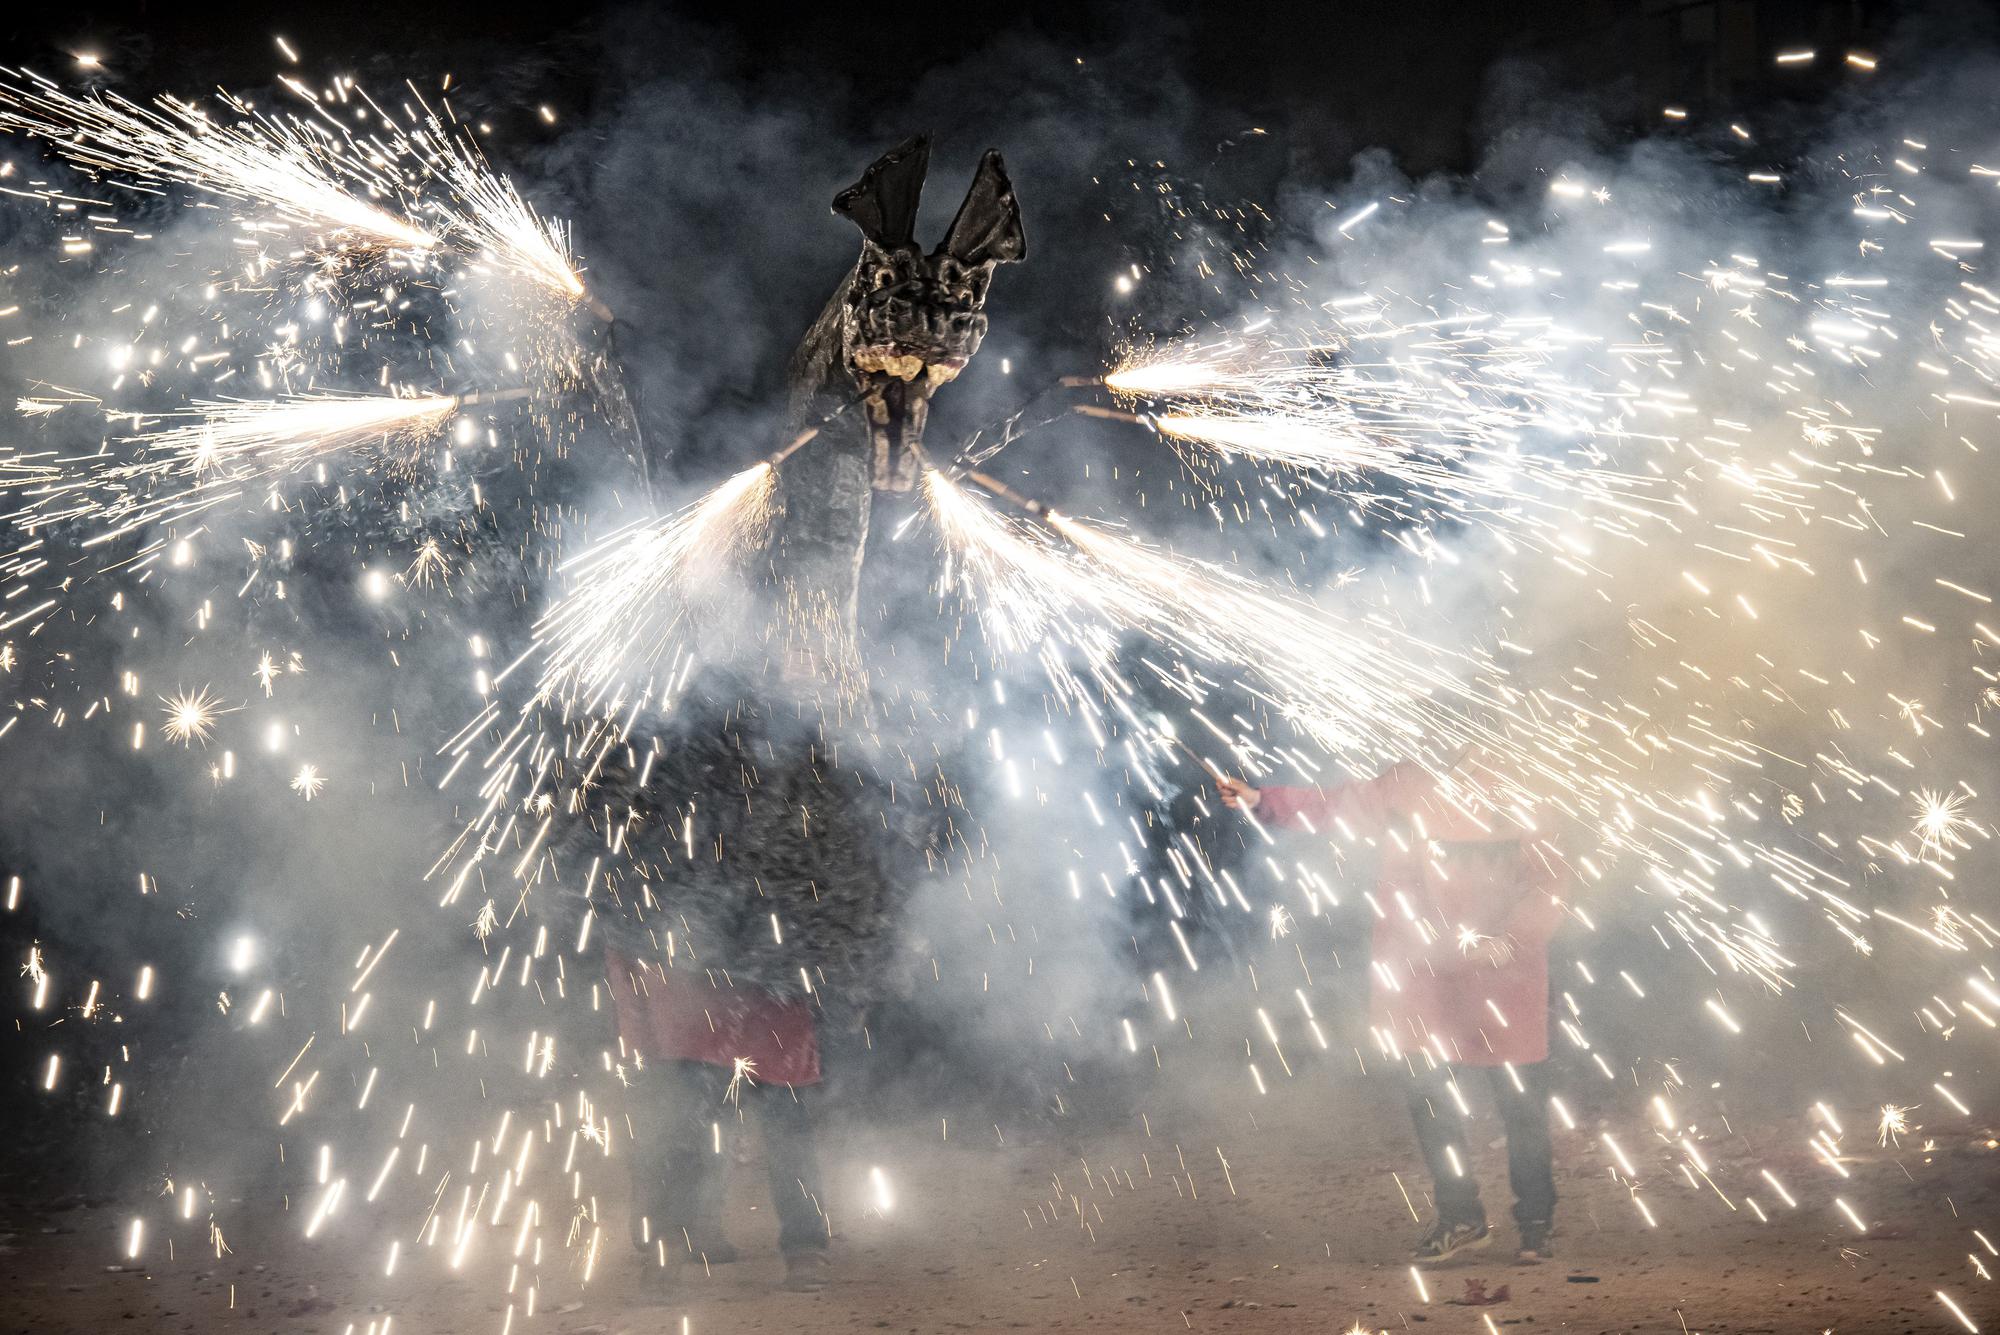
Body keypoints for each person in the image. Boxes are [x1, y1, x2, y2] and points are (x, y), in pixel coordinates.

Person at [561, 663, 939, 1295]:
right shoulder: (758, 750)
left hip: (742, 965)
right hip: (731, 965)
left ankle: (698, 1255)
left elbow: (834, 856)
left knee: (708, 1110)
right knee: (729, 1110)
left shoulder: (692, 748)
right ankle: (753, 1252)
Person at [1217, 757, 1566, 1264]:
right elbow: (1336, 805)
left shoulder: (1523, 783)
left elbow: (1552, 880)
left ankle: (1536, 1221)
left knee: (1520, 1102)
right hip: (1422, 970)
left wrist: (1512, 941)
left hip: (1502, 974)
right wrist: (1261, 800)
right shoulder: (1409, 781)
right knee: (1431, 1096)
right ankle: (1460, 1217)